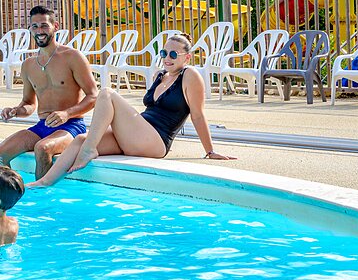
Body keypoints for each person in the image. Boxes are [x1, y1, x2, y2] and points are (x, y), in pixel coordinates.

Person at [31, 32, 235, 189]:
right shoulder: (160, 75)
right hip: (140, 135)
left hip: (156, 141)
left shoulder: (190, 75)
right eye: (164, 53)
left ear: (187, 57)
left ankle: (89, 150)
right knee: (81, 139)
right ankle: (44, 183)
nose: (167, 58)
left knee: (107, 94)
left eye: (174, 54)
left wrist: (210, 150)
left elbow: (198, 115)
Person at [0, 5, 100, 180]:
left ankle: (42, 199)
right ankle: (10, 195)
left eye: (44, 25)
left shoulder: (72, 57)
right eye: (34, 27)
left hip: (71, 127)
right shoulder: (28, 65)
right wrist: (15, 111)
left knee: (43, 148)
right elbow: (29, 103)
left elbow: (94, 95)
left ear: (55, 27)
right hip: (41, 126)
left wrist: (67, 113)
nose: (39, 31)